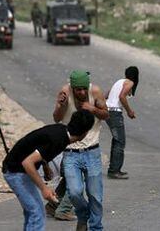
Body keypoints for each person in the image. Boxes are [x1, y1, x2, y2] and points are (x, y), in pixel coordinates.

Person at [2, 110, 95, 231]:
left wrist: (45, 165)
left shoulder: (60, 131)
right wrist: (44, 188)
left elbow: (38, 146)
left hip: (17, 169)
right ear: (86, 133)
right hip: (15, 172)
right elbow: (27, 162)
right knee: (37, 213)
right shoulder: (58, 140)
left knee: (34, 212)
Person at [53, 70, 109, 231]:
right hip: (71, 152)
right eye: (78, 90)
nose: (82, 92)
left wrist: (92, 109)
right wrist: (60, 105)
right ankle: (83, 215)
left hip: (92, 151)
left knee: (95, 195)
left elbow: (106, 115)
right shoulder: (65, 92)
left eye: (84, 89)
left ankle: (96, 227)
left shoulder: (95, 92)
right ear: (72, 88)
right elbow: (56, 118)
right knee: (74, 192)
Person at [105, 66, 139, 179]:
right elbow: (122, 96)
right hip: (115, 113)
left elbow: (107, 94)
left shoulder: (120, 81)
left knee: (116, 140)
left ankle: (113, 168)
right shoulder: (130, 83)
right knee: (120, 141)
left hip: (108, 111)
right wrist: (129, 111)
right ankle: (114, 171)